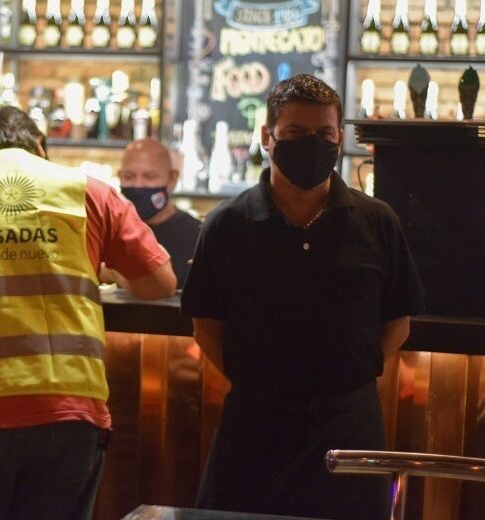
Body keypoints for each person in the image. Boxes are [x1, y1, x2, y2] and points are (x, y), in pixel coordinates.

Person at [0, 105, 176, 520]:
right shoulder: (88, 191)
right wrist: (106, 268)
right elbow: (160, 283)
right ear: (40, 146)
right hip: (69, 410)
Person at [181, 74, 424, 520]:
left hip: (349, 426)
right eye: (295, 132)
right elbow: (206, 324)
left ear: (339, 138)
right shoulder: (227, 225)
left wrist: (356, 375)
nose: (312, 144)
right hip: (254, 427)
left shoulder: (377, 221)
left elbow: (398, 320)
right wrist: (254, 381)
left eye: (324, 134)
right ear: (267, 137)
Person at [117, 138, 201, 288]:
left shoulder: (198, 237)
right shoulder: (110, 231)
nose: (138, 185)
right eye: (129, 176)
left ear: (172, 179)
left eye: (149, 176)